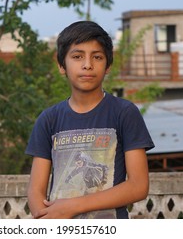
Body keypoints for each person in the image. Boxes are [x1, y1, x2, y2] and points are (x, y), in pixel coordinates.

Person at [25, 21, 155, 219]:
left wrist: (72, 207)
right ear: (62, 65)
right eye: (77, 57)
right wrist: (45, 217)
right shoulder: (49, 119)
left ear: (108, 65)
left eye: (97, 57)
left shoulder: (124, 113)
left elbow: (138, 186)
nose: (87, 64)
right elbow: (36, 191)